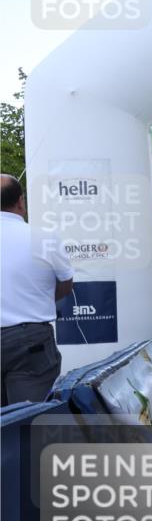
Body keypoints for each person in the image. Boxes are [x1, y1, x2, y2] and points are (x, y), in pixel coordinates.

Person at [1, 174, 74, 405]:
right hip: (31, 341)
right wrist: (38, 298)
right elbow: (66, 283)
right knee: (29, 425)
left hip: (30, 342)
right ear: (21, 202)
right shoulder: (45, 237)